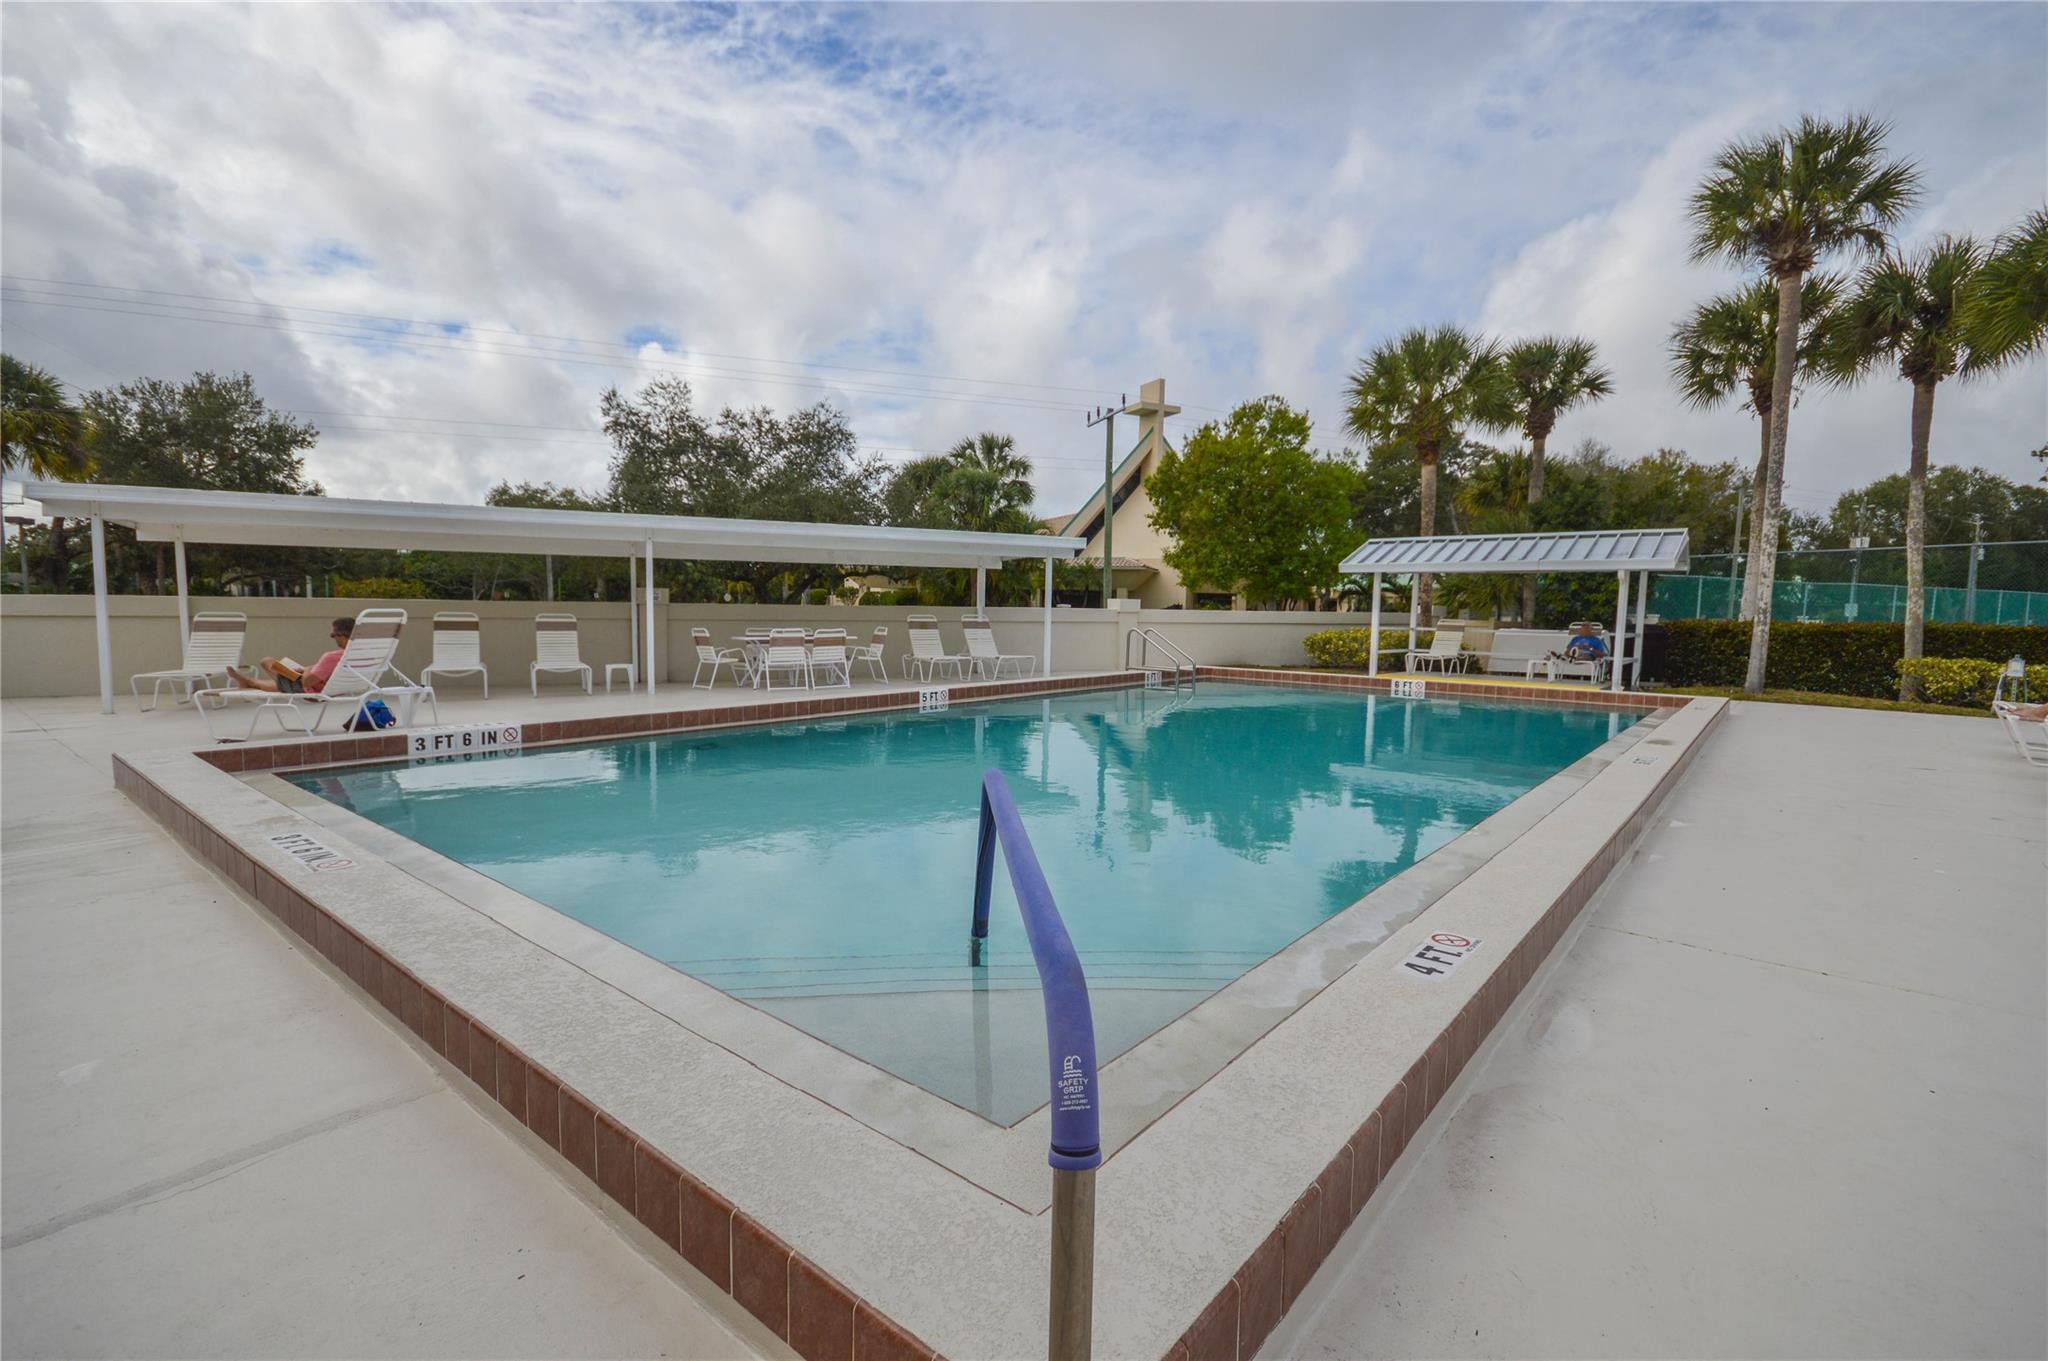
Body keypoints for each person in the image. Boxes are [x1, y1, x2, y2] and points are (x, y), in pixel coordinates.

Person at [227, 617, 353, 693]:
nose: (333, 638)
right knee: (285, 677)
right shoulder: (359, 654)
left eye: (333, 635)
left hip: (312, 690)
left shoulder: (331, 657)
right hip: (333, 689)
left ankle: (249, 682)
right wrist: (311, 669)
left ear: (341, 635)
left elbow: (307, 682)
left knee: (267, 661)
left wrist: (308, 670)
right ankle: (249, 682)